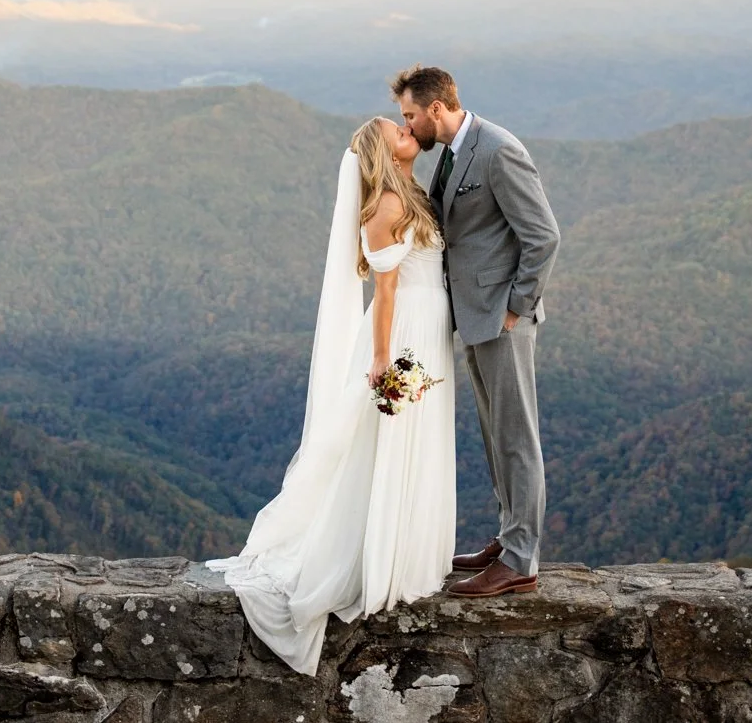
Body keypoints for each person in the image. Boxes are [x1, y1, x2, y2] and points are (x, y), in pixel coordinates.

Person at [207, 117, 456, 675]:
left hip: (430, 328)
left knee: (419, 435)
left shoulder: (411, 191)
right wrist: (381, 358)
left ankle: (410, 551)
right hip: (406, 334)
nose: (408, 130)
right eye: (398, 129)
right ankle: (382, 559)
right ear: (382, 150)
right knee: (393, 436)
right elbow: (387, 292)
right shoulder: (384, 208)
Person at [394, 64, 560, 598]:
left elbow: (543, 236)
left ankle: (520, 561)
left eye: (411, 115)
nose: (409, 124)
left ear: (436, 109)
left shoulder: (498, 150)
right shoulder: (451, 153)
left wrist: (517, 305)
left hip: (501, 318)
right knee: (495, 435)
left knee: (517, 437)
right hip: (474, 315)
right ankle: (509, 536)